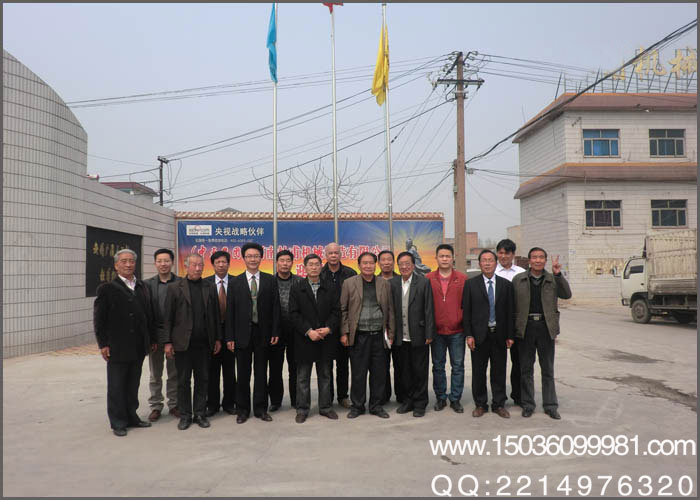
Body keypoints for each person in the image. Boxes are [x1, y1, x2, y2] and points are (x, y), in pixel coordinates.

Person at [94, 249, 157, 437]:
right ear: (116, 265)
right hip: (117, 346)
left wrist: (152, 339)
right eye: (124, 261)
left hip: (138, 345)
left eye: (131, 261)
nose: (128, 264)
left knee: (133, 384)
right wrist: (103, 344)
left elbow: (149, 315)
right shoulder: (107, 289)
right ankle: (118, 421)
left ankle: (132, 416)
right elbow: (99, 319)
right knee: (117, 385)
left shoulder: (142, 286)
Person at [162, 253, 222, 430]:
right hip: (182, 344)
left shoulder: (209, 287)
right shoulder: (175, 288)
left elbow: (216, 316)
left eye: (200, 265)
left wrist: (217, 338)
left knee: (203, 380)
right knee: (183, 381)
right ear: (186, 267)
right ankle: (185, 415)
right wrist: (167, 342)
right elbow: (168, 318)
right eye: (194, 265)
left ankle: (200, 413)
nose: (197, 268)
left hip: (204, 343)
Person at [513, 248, 572, 420]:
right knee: (526, 369)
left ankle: (550, 405)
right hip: (525, 327)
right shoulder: (518, 280)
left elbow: (566, 294)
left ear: (545, 260)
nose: (537, 260)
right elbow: (512, 305)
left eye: (541, 257)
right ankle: (528, 404)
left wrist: (558, 274)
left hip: (546, 328)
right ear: (529, 260)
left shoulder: (552, 279)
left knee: (547, 369)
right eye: (534, 257)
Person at [226, 242, 280, 423]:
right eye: (249, 256)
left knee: (261, 373)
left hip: (263, 333)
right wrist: (230, 336)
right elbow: (230, 312)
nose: (253, 259)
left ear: (261, 258)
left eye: (256, 256)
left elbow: (275, 308)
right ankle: (242, 410)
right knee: (242, 374)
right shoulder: (235, 282)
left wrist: (275, 331)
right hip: (241, 334)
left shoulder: (270, 280)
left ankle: (260, 409)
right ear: (243, 258)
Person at [340, 252, 395, 419]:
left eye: (371, 263)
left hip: (379, 335)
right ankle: (357, 406)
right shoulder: (349, 283)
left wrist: (391, 333)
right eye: (365, 263)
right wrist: (344, 332)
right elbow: (343, 309)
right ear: (359, 265)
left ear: (375, 265)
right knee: (358, 373)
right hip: (359, 336)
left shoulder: (384, 284)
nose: (368, 266)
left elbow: (390, 310)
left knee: (379, 373)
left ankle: (376, 405)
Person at [463, 249, 515, 419]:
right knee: (479, 372)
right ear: (479, 264)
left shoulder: (506, 285)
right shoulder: (471, 284)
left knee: (499, 371)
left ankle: (499, 404)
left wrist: (510, 335)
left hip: (499, 335)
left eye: (490, 260)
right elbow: (467, 312)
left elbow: (510, 312)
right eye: (484, 260)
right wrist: (469, 335)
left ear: (496, 263)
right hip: (479, 336)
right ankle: (480, 404)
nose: (487, 263)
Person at [288, 253, 340, 423]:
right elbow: (293, 314)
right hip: (305, 339)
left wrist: (328, 328)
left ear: (321, 266)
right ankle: (302, 409)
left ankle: (326, 407)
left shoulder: (330, 287)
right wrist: (308, 331)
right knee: (303, 377)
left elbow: (337, 311)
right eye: (310, 264)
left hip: (325, 338)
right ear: (305, 267)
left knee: (325, 375)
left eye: (317, 264)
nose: (314, 267)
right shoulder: (297, 288)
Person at [389, 252, 435, 417]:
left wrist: (429, 332)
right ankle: (408, 401)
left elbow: (429, 309)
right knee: (404, 372)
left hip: (419, 334)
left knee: (420, 371)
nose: (404, 267)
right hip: (400, 336)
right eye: (401, 264)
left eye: (407, 263)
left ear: (413, 265)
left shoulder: (423, 282)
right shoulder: (393, 283)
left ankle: (420, 403)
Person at [425, 244, 468, 413]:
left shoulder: (462, 279)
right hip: (436, 332)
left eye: (447, 256)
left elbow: (467, 305)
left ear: (452, 258)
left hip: (457, 331)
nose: (444, 259)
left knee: (458, 366)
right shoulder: (428, 278)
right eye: (441, 256)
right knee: (438, 366)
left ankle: (455, 398)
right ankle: (441, 397)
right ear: (436, 258)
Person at [144, 248, 181, 422]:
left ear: (172, 262)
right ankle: (156, 405)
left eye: (166, 261)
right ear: (155, 263)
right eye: (159, 261)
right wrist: (150, 337)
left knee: (174, 372)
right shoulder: (147, 285)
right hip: (155, 335)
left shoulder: (181, 283)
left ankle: (174, 404)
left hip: (175, 335)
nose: (163, 264)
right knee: (155, 373)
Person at [320, 242, 357, 409]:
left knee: (343, 364)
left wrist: (346, 329)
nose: (333, 256)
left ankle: (343, 396)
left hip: (345, 324)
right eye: (330, 253)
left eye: (336, 253)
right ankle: (327, 398)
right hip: (326, 326)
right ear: (326, 255)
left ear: (341, 254)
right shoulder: (320, 274)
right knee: (326, 365)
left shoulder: (350, 273)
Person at [205, 250, 236, 417]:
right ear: (213, 265)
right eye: (218, 262)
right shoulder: (205, 283)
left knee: (230, 371)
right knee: (212, 371)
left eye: (224, 262)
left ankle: (229, 403)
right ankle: (212, 404)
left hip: (231, 333)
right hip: (211, 334)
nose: (221, 265)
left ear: (229, 264)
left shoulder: (237, 282)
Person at [495, 238, 526, 407]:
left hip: (517, 323)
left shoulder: (521, 273)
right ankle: (498, 398)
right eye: (500, 253)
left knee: (519, 362)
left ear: (513, 254)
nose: (503, 256)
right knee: (498, 364)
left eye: (507, 253)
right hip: (498, 324)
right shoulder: (492, 272)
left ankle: (518, 395)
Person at [271, 249, 303, 411]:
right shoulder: (269, 282)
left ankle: (296, 400)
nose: (285, 264)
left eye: (288, 260)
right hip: (275, 331)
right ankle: (275, 401)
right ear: (277, 263)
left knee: (295, 367)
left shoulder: (299, 281)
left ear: (292, 263)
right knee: (275, 368)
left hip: (295, 331)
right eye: (281, 260)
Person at [377, 249, 402, 406]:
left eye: (389, 260)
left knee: (400, 365)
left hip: (399, 330)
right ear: (379, 263)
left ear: (394, 262)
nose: (386, 262)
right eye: (383, 260)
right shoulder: (373, 280)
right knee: (382, 366)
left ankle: (401, 395)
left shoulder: (401, 280)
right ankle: (383, 396)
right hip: (380, 331)